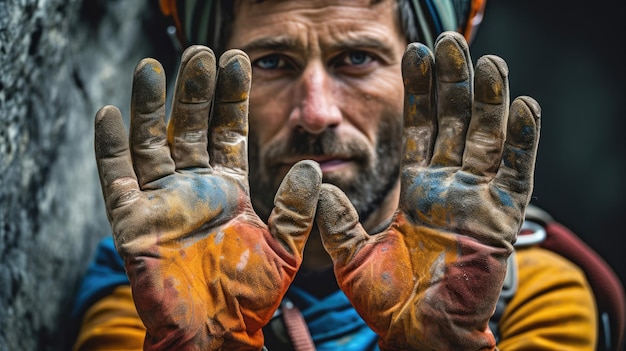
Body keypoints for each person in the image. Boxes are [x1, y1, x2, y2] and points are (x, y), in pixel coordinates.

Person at [69, 0, 601, 350]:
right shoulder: (154, 298)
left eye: (356, 58)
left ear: (429, 85)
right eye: (273, 62)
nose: (317, 111)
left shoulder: (528, 293)